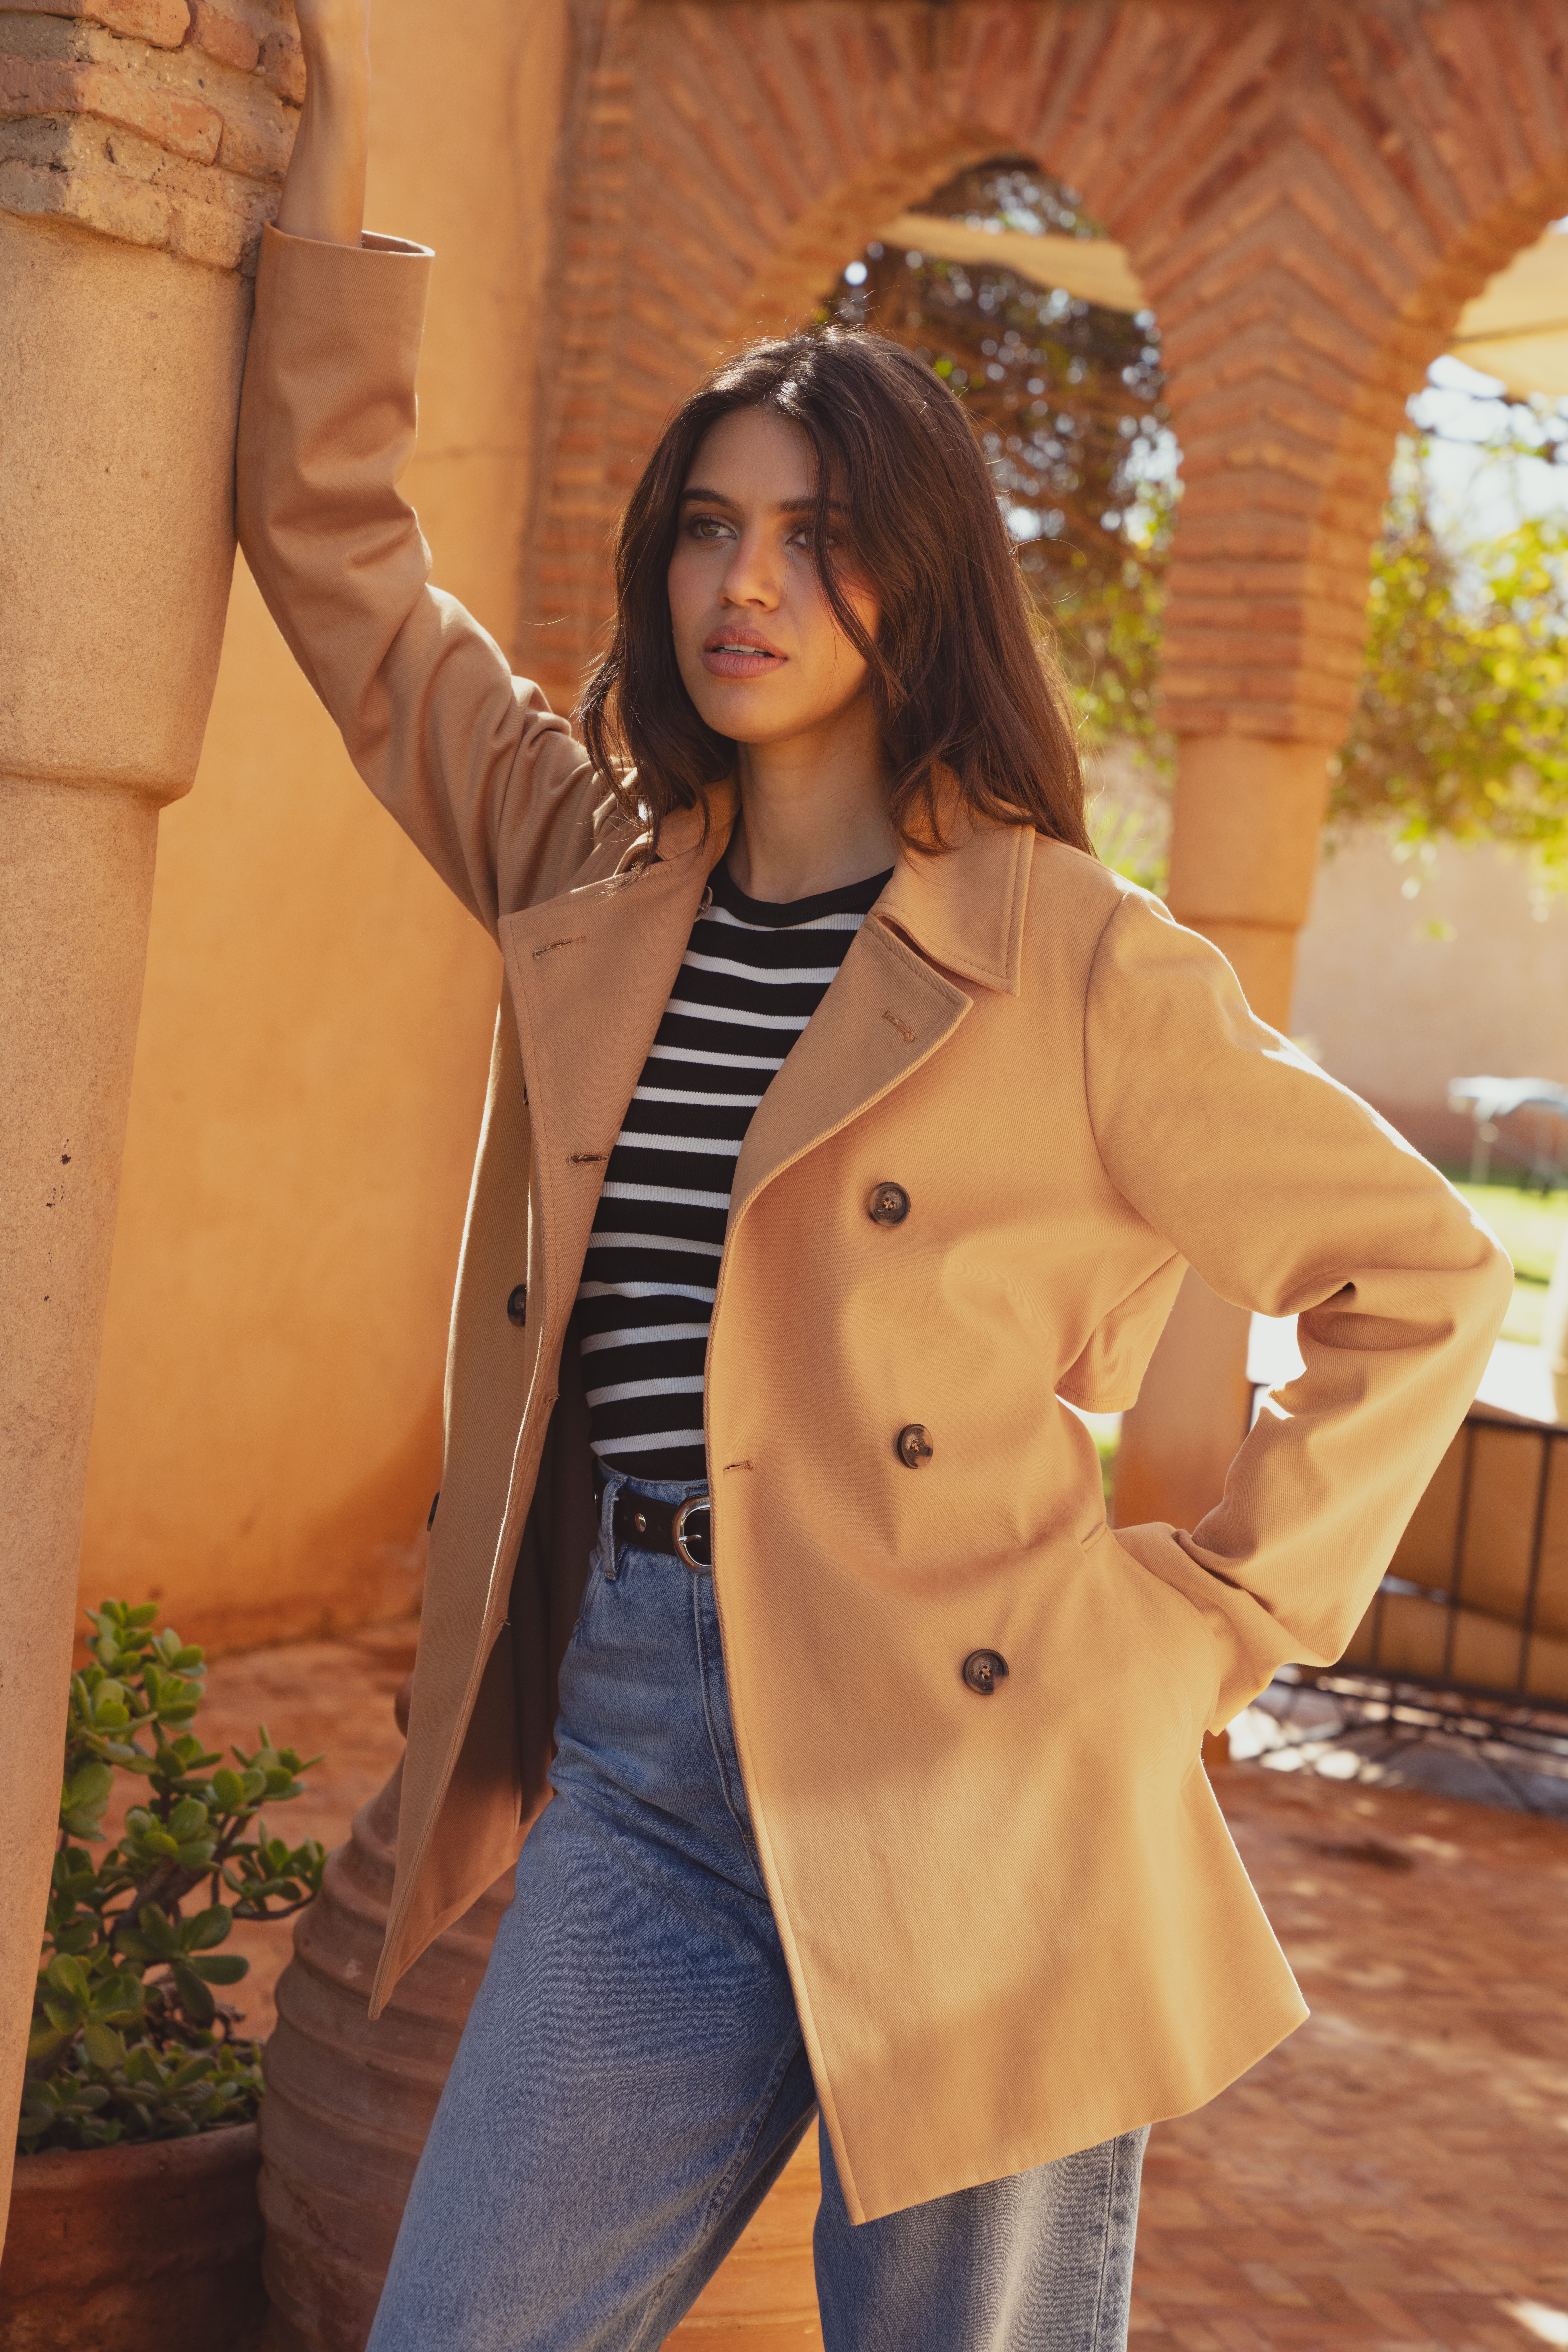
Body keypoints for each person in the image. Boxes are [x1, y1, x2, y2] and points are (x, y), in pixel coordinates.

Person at [241, 7, 1512, 2345]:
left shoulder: (1073, 958)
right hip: (641, 1746)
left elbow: (1417, 1277)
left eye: (817, 542)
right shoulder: (587, 860)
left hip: (979, 1778)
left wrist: (1207, 1629)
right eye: (711, 528)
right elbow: (345, 579)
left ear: (915, 584)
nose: (749, 586)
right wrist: (323, 207)